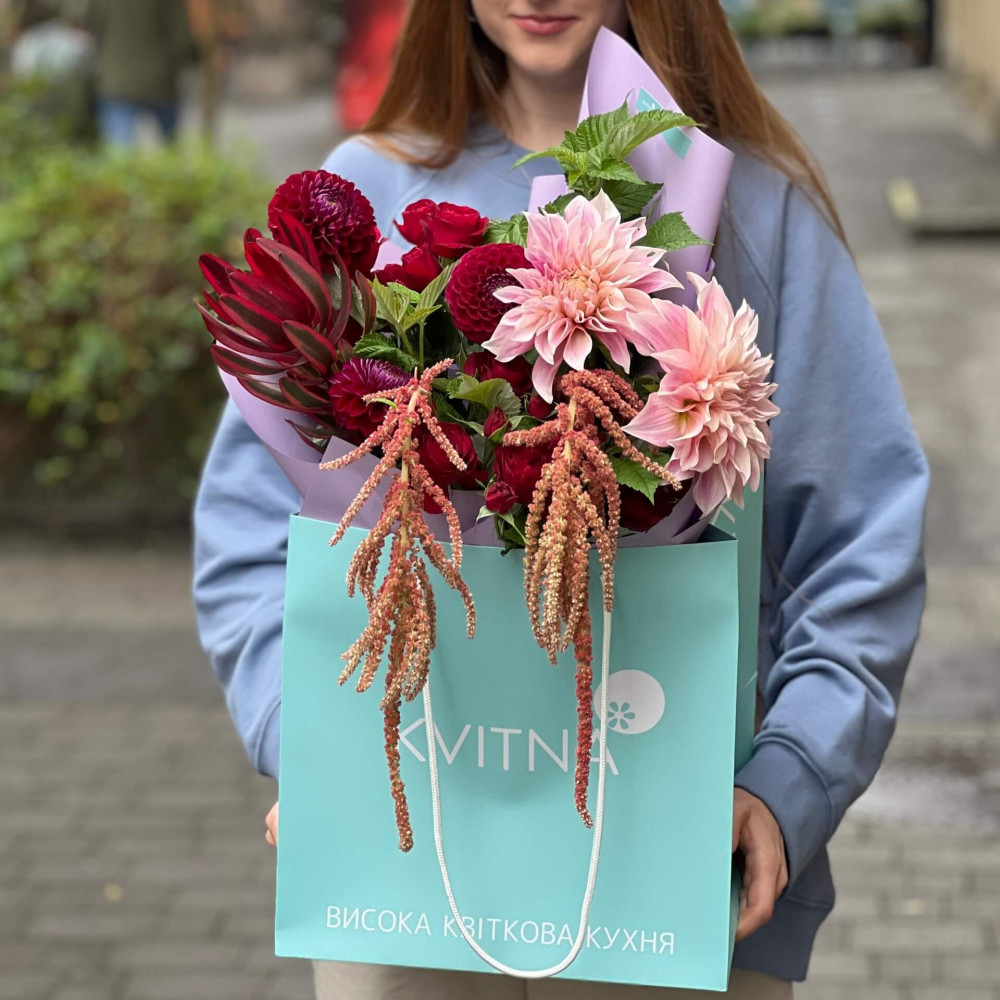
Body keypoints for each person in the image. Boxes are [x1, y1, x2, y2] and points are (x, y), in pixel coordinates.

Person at [193, 2, 929, 998]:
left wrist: (790, 776)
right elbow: (249, 525)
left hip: (675, 844)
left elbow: (858, 535)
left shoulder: (749, 205)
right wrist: (304, 734)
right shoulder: (369, 189)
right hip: (405, 855)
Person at [84, 0, 194, 145]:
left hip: (116, 80)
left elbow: (83, 17)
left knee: (118, 152)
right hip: (160, 79)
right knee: (169, 146)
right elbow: (182, 38)